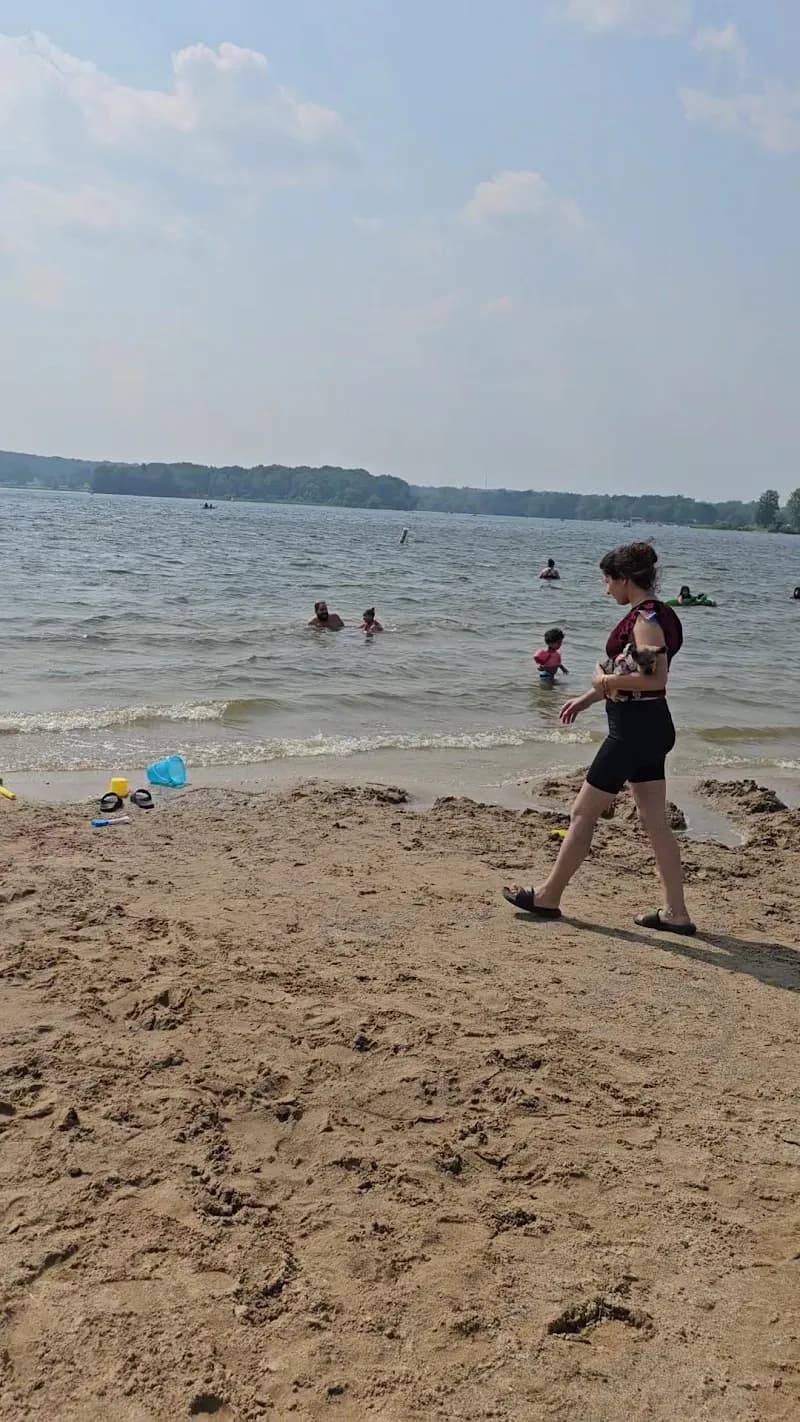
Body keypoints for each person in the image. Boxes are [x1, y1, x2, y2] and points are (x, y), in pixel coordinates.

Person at [504, 541, 695, 934]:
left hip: (633, 731)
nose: (606, 588)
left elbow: (652, 677)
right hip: (650, 726)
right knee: (654, 821)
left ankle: (548, 896)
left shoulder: (645, 619)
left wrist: (602, 680)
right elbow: (635, 671)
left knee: (583, 812)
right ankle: (676, 913)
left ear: (625, 579)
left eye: (607, 581)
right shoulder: (658, 613)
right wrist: (589, 697)